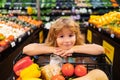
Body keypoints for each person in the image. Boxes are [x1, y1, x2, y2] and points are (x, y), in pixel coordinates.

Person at [23, 17, 104, 57]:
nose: (67, 40)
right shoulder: (52, 47)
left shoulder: (78, 46)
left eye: (71, 35)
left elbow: (100, 49)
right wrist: (53, 49)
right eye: (61, 36)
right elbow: (26, 49)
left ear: (76, 35)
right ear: (54, 37)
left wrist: (75, 49)